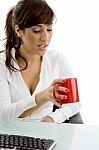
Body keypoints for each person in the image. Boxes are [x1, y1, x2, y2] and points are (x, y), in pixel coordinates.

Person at [0, 0, 81, 124]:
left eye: (49, 29)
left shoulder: (57, 60)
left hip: (45, 133)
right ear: (18, 31)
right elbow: (3, 115)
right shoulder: (2, 63)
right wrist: (43, 97)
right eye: (37, 30)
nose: (45, 38)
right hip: (11, 135)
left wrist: (52, 118)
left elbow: (74, 103)